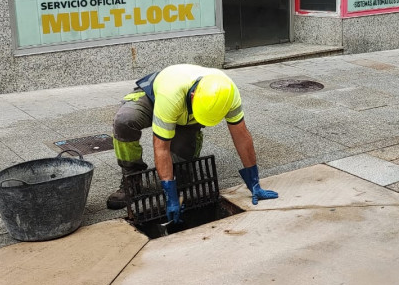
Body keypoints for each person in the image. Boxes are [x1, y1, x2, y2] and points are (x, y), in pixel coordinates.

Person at [107, 64, 278, 221]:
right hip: (157, 98)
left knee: (181, 172)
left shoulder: (228, 93)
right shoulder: (171, 95)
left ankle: (184, 159)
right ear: (194, 96)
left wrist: (254, 182)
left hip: (188, 113)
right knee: (125, 121)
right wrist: (170, 196)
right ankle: (132, 179)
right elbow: (160, 147)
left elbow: (242, 136)